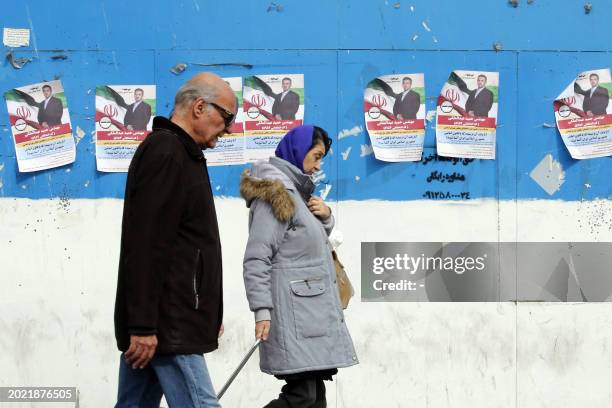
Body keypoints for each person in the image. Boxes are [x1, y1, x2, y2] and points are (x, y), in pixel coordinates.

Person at [114, 72, 237, 408]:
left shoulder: (182, 154)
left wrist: (208, 311)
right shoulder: (167, 151)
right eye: (226, 117)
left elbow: (188, 245)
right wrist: (142, 325)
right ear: (199, 107)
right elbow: (146, 244)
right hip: (169, 325)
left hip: (168, 320)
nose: (229, 129)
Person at [240, 125, 358, 407]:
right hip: (294, 317)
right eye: (315, 157)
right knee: (302, 398)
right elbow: (257, 257)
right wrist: (262, 311)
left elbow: (308, 243)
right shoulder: (276, 195)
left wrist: (327, 218)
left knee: (315, 399)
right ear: (298, 151)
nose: (317, 166)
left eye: (321, 160)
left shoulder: (296, 192)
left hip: (310, 317)